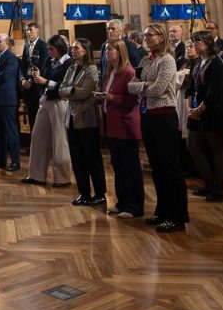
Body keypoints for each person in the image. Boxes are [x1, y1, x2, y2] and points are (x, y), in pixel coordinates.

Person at [130, 24, 186, 233]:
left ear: (161, 38)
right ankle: (162, 210)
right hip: (148, 117)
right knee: (157, 168)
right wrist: (145, 85)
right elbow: (130, 85)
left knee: (170, 167)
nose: (145, 38)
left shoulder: (168, 60)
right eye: (144, 35)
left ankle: (177, 215)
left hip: (164, 116)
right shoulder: (146, 59)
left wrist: (143, 86)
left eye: (149, 35)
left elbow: (159, 89)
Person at [97, 38, 143, 218]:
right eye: (106, 50)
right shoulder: (110, 72)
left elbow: (134, 100)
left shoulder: (129, 72)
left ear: (120, 52)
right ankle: (122, 201)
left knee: (130, 166)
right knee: (118, 166)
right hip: (112, 124)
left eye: (110, 50)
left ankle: (135, 206)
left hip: (125, 125)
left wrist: (111, 98)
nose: (107, 53)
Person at [61, 38, 107, 206]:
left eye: (76, 48)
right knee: (77, 158)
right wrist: (73, 90)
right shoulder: (72, 67)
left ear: (85, 50)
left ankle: (100, 193)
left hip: (87, 117)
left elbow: (87, 91)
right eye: (72, 48)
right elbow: (61, 90)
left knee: (92, 157)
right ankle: (84, 192)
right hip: (71, 118)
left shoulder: (92, 69)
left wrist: (72, 91)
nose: (73, 50)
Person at [184, 31, 223, 202]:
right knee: (193, 146)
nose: (195, 44)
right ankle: (208, 183)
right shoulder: (197, 61)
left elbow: (215, 91)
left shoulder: (217, 62)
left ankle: (219, 189)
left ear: (208, 42)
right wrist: (190, 107)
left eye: (198, 41)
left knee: (216, 148)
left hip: (213, 110)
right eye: (193, 41)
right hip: (196, 109)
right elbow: (191, 85)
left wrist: (201, 108)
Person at [22, 34, 71, 188]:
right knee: (38, 137)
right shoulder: (49, 61)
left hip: (59, 102)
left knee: (59, 140)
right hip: (45, 101)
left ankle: (62, 178)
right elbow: (43, 77)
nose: (49, 52)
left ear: (60, 48)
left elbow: (65, 86)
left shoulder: (69, 63)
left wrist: (46, 82)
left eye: (51, 49)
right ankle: (36, 175)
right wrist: (38, 77)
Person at [0, 33, 21, 172]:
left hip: (7, 100)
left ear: (7, 43)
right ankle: (0, 159)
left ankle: (15, 161)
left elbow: (5, 76)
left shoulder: (11, 58)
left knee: (10, 132)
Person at [20, 23, 48, 131]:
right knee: (31, 115)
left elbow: (42, 66)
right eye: (26, 30)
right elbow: (23, 65)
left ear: (37, 30)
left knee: (39, 117)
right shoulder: (27, 45)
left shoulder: (43, 45)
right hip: (27, 86)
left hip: (37, 86)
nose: (28, 32)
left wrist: (30, 81)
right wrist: (22, 79)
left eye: (30, 30)